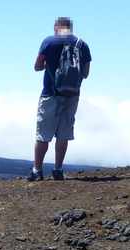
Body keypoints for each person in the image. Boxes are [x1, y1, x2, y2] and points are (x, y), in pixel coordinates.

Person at [28, 17, 92, 181]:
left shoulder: (49, 42)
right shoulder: (82, 45)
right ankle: (58, 169)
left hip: (51, 93)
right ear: (71, 27)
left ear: (57, 27)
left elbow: (36, 66)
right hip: (72, 95)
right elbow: (85, 74)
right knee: (63, 134)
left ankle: (37, 170)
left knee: (43, 134)